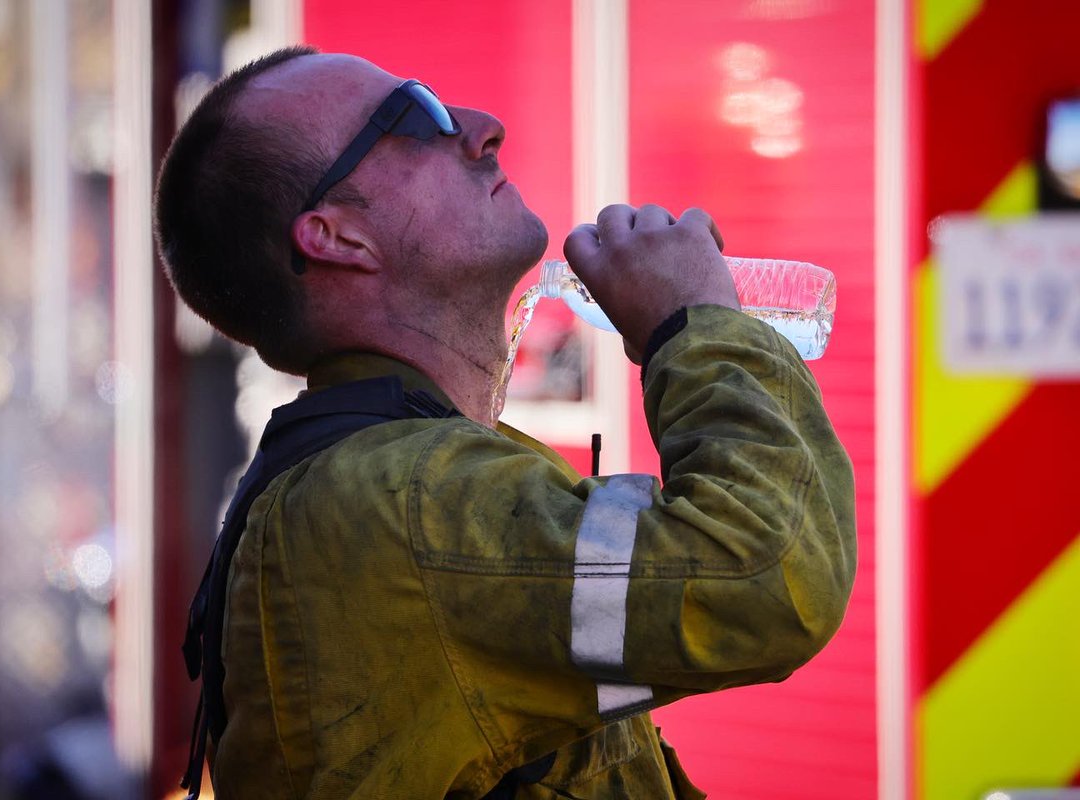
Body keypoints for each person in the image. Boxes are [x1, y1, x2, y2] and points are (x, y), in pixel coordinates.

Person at [154, 44, 856, 800]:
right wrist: (694, 324)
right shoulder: (395, 506)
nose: (482, 127)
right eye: (410, 116)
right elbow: (766, 575)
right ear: (337, 237)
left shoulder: (415, 484)